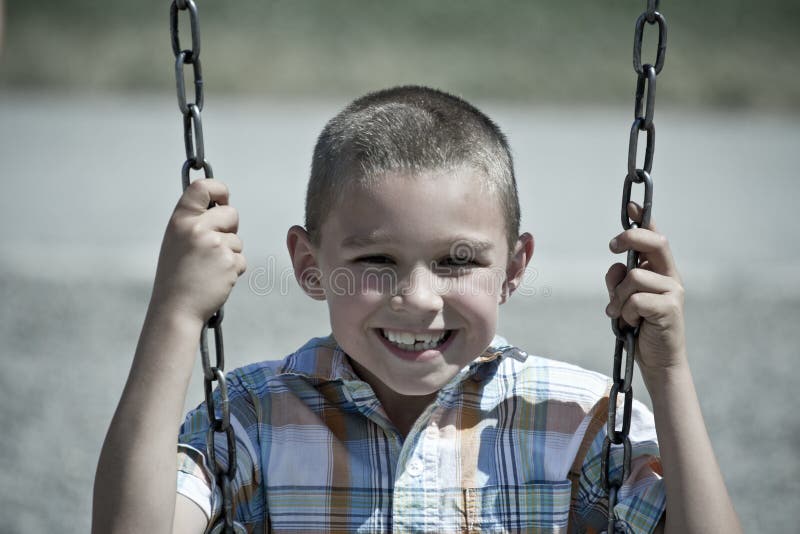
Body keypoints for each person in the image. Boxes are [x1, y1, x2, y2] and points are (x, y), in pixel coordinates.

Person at [92, 86, 740, 533]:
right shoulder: (252, 418)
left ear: (513, 269)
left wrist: (670, 372)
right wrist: (176, 317)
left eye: (457, 260)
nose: (419, 300)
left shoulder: (580, 422)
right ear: (308, 264)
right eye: (376, 262)